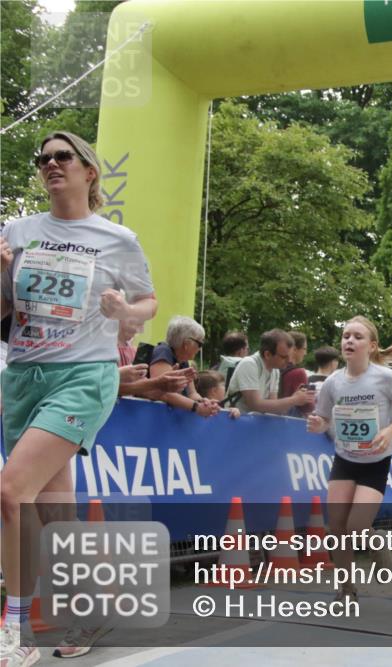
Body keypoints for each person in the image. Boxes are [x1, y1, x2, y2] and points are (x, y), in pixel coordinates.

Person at [0, 131, 158, 663]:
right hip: (24, 377)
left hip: (85, 375)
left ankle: (15, 631)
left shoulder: (117, 239)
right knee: (54, 511)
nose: (50, 164)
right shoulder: (17, 231)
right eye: (42, 159)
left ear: (90, 171)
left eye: (62, 156)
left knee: (10, 491)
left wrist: (125, 313)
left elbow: (148, 302)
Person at [307, 316, 392, 602]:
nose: (349, 341)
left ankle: (377, 541)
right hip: (345, 457)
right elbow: (323, 416)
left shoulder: (385, 378)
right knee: (338, 526)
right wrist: (319, 425)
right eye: (346, 336)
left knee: (357, 526)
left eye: (357, 337)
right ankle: (346, 588)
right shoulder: (333, 382)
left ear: (371, 345)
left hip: (376, 460)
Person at [226, 329, 315, 416]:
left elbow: (273, 408)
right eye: (284, 357)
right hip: (235, 423)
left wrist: (297, 397)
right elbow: (255, 405)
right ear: (267, 354)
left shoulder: (275, 370)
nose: (289, 361)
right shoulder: (249, 364)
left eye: (289, 356)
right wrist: (293, 400)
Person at [148, 316, 221, 418]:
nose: (200, 349)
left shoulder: (183, 360)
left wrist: (204, 402)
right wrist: (197, 407)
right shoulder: (163, 352)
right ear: (186, 344)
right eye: (200, 344)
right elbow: (165, 394)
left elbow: (192, 394)